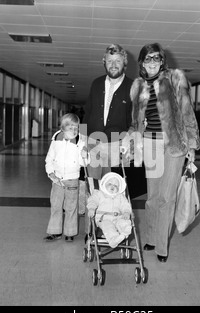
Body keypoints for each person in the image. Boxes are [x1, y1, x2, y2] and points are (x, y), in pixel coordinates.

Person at [121, 43, 200, 262]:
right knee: (152, 197)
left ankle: (162, 247)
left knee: (167, 197)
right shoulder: (137, 87)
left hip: (174, 144)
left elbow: (187, 112)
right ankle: (151, 237)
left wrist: (191, 145)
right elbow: (135, 121)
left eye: (156, 59)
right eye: (148, 59)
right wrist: (131, 136)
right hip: (150, 144)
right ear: (142, 63)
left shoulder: (175, 78)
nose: (152, 63)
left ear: (162, 61)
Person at [81, 44, 133, 237]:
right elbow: (87, 113)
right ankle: (91, 231)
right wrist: (83, 143)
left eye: (118, 61)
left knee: (114, 188)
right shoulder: (96, 84)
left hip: (115, 145)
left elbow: (134, 119)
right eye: (110, 61)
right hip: (94, 143)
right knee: (92, 187)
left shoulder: (132, 86)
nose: (113, 65)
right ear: (104, 62)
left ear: (124, 63)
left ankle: (112, 227)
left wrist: (128, 138)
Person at [44, 113, 88, 242]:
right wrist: (50, 172)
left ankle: (70, 232)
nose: (74, 131)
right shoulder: (56, 139)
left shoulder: (80, 141)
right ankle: (55, 231)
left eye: (76, 128)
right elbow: (49, 158)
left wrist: (85, 155)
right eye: (70, 128)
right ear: (63, 128)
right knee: (56, 205)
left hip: (72, 179)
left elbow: (83, 163)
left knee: (71, 207)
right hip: (57, 179)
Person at [87, 172, 132, 248]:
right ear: (104, 184)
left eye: (115, 185)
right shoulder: (99, 194)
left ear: (119, 188)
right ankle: (113, 239)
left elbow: (125, 205)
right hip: (103, 219)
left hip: (118, 218)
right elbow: (92, 201)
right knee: (108, 227)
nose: (112, 186)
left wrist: (126, 212)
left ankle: (125, 231)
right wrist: (91, 208)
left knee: (124, 222)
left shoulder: (120, 196)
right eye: (110, 184)